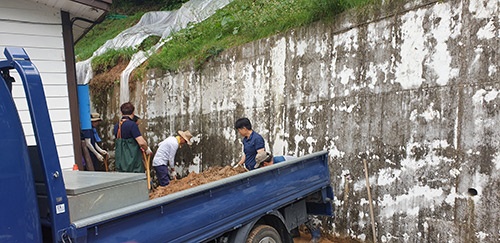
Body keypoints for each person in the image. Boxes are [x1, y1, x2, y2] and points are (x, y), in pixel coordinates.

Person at [114, 102, 152, 173]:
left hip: (120, 163)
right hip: (133, 164)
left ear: (122, 113)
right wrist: (147, 149)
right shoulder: (132, 125)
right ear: (133, 113)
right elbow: (141, 142)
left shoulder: (117, 126)